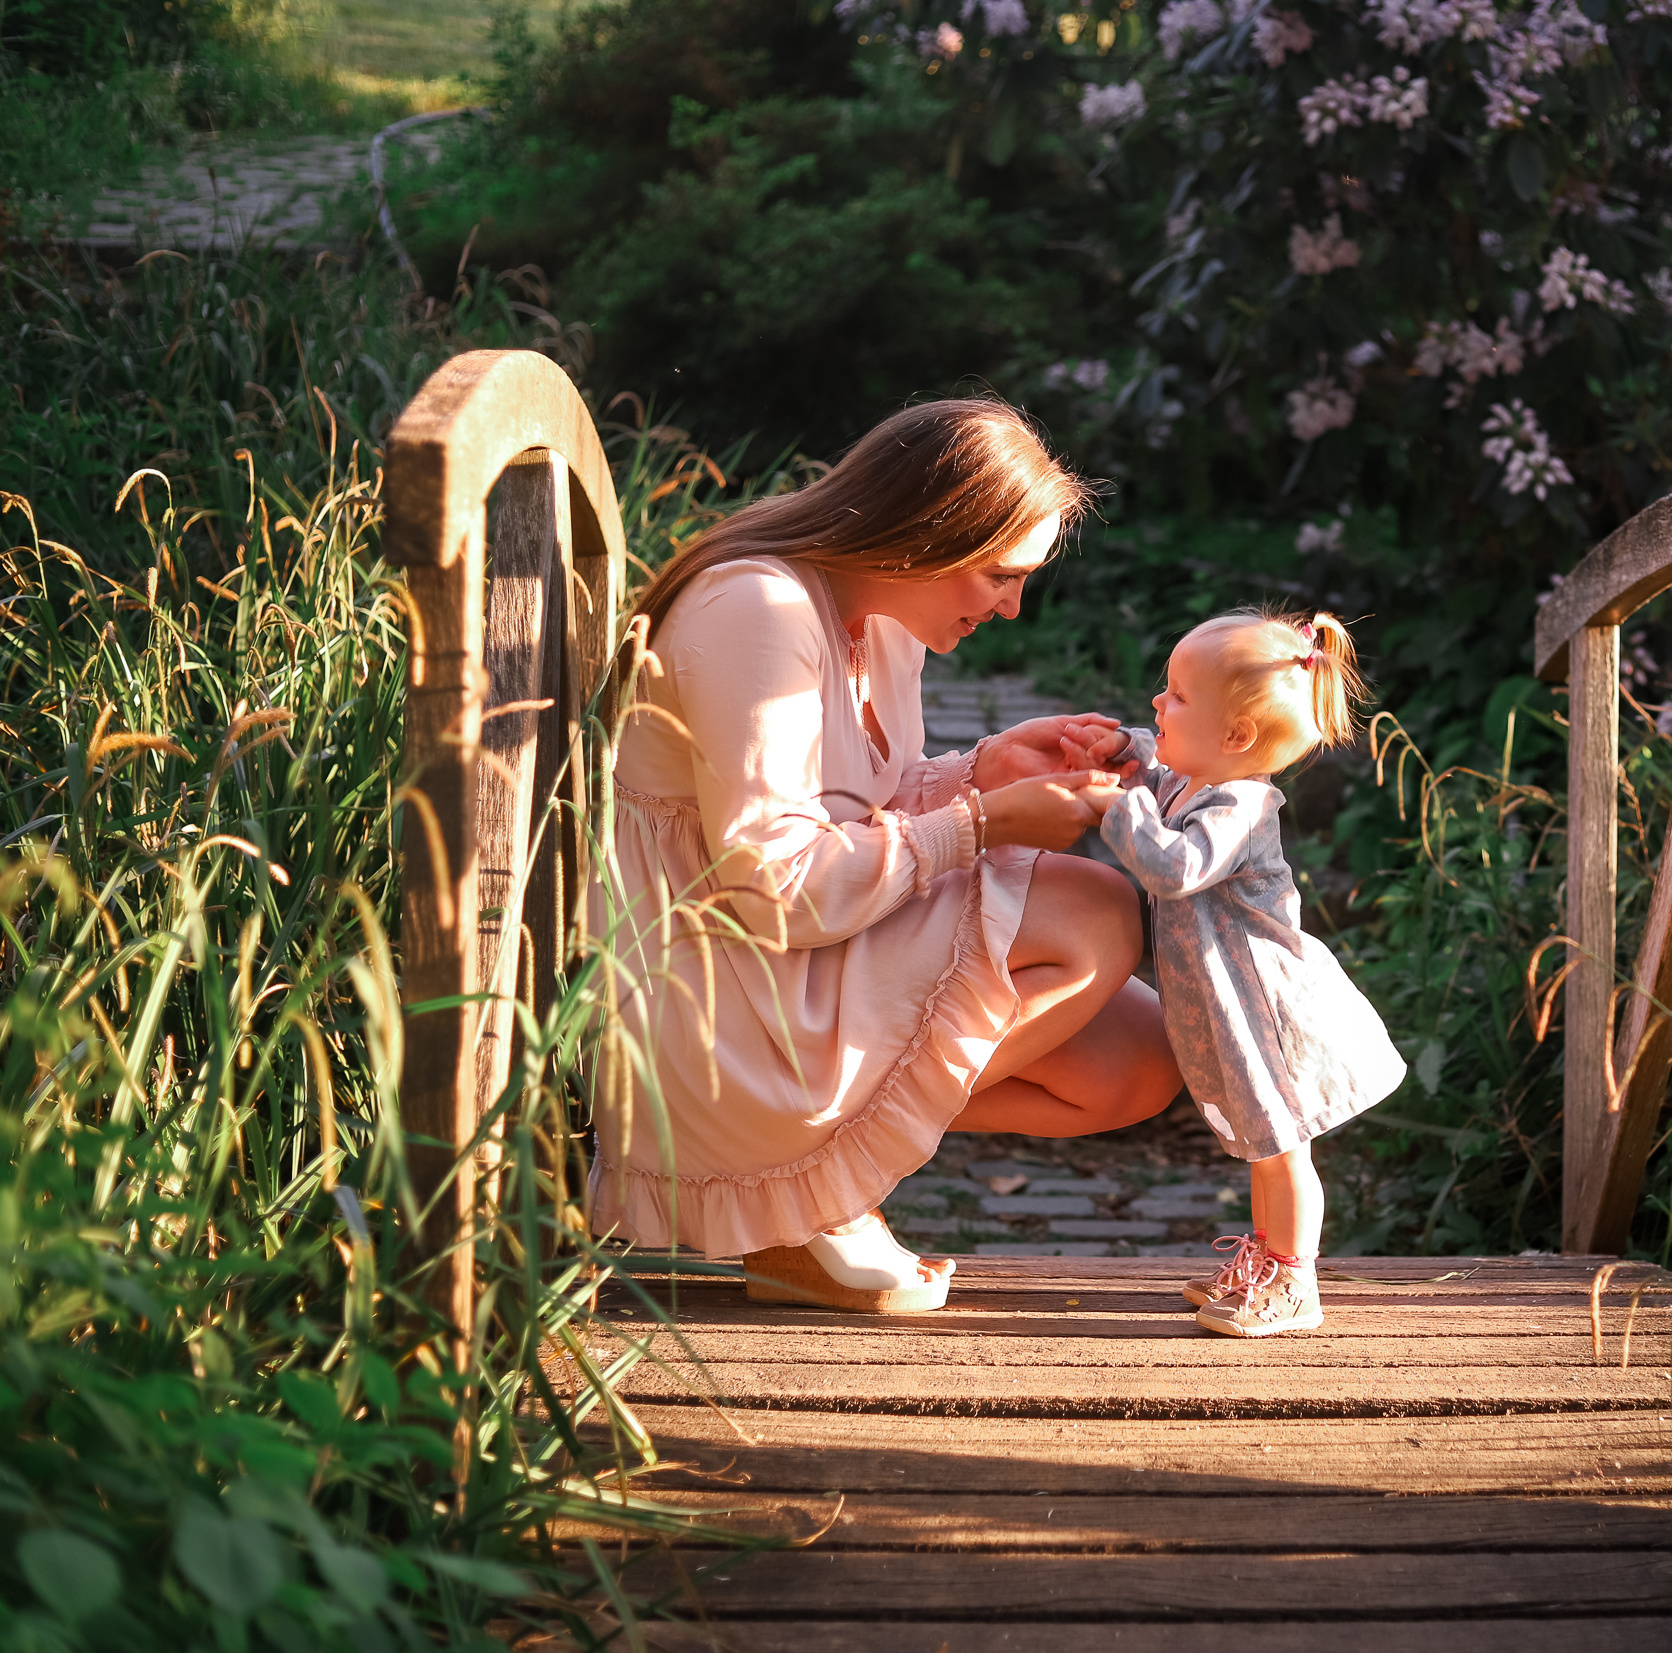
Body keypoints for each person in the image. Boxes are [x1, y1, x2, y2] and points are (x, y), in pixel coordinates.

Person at [589, 397, 1182, 1314]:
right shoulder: (759, 607)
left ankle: (806, 1185)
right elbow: (776, 886)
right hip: (710, 991)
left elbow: (849, 808)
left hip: (781, 961)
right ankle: (806, 1190)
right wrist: (986, 822)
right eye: (999, 574)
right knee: (1096, 912)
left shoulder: (880, 622)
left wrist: (982, 769)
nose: (1013, 606)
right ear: (926, 533)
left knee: (1137, 1060)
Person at [1095, 609, 1407, 1336]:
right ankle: (1266, 1264)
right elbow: (1164, 770)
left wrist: (1116, 804)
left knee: (1280, 1145)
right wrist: (1128, 754)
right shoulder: (1198, 779)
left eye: (1175, 697)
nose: (1155, 704)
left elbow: (1176, 866)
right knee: (1263, 1144)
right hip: (1228, 1001)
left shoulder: (1240, 803)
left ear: (1236, 737)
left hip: (1265, 1008)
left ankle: (1295, 1281)